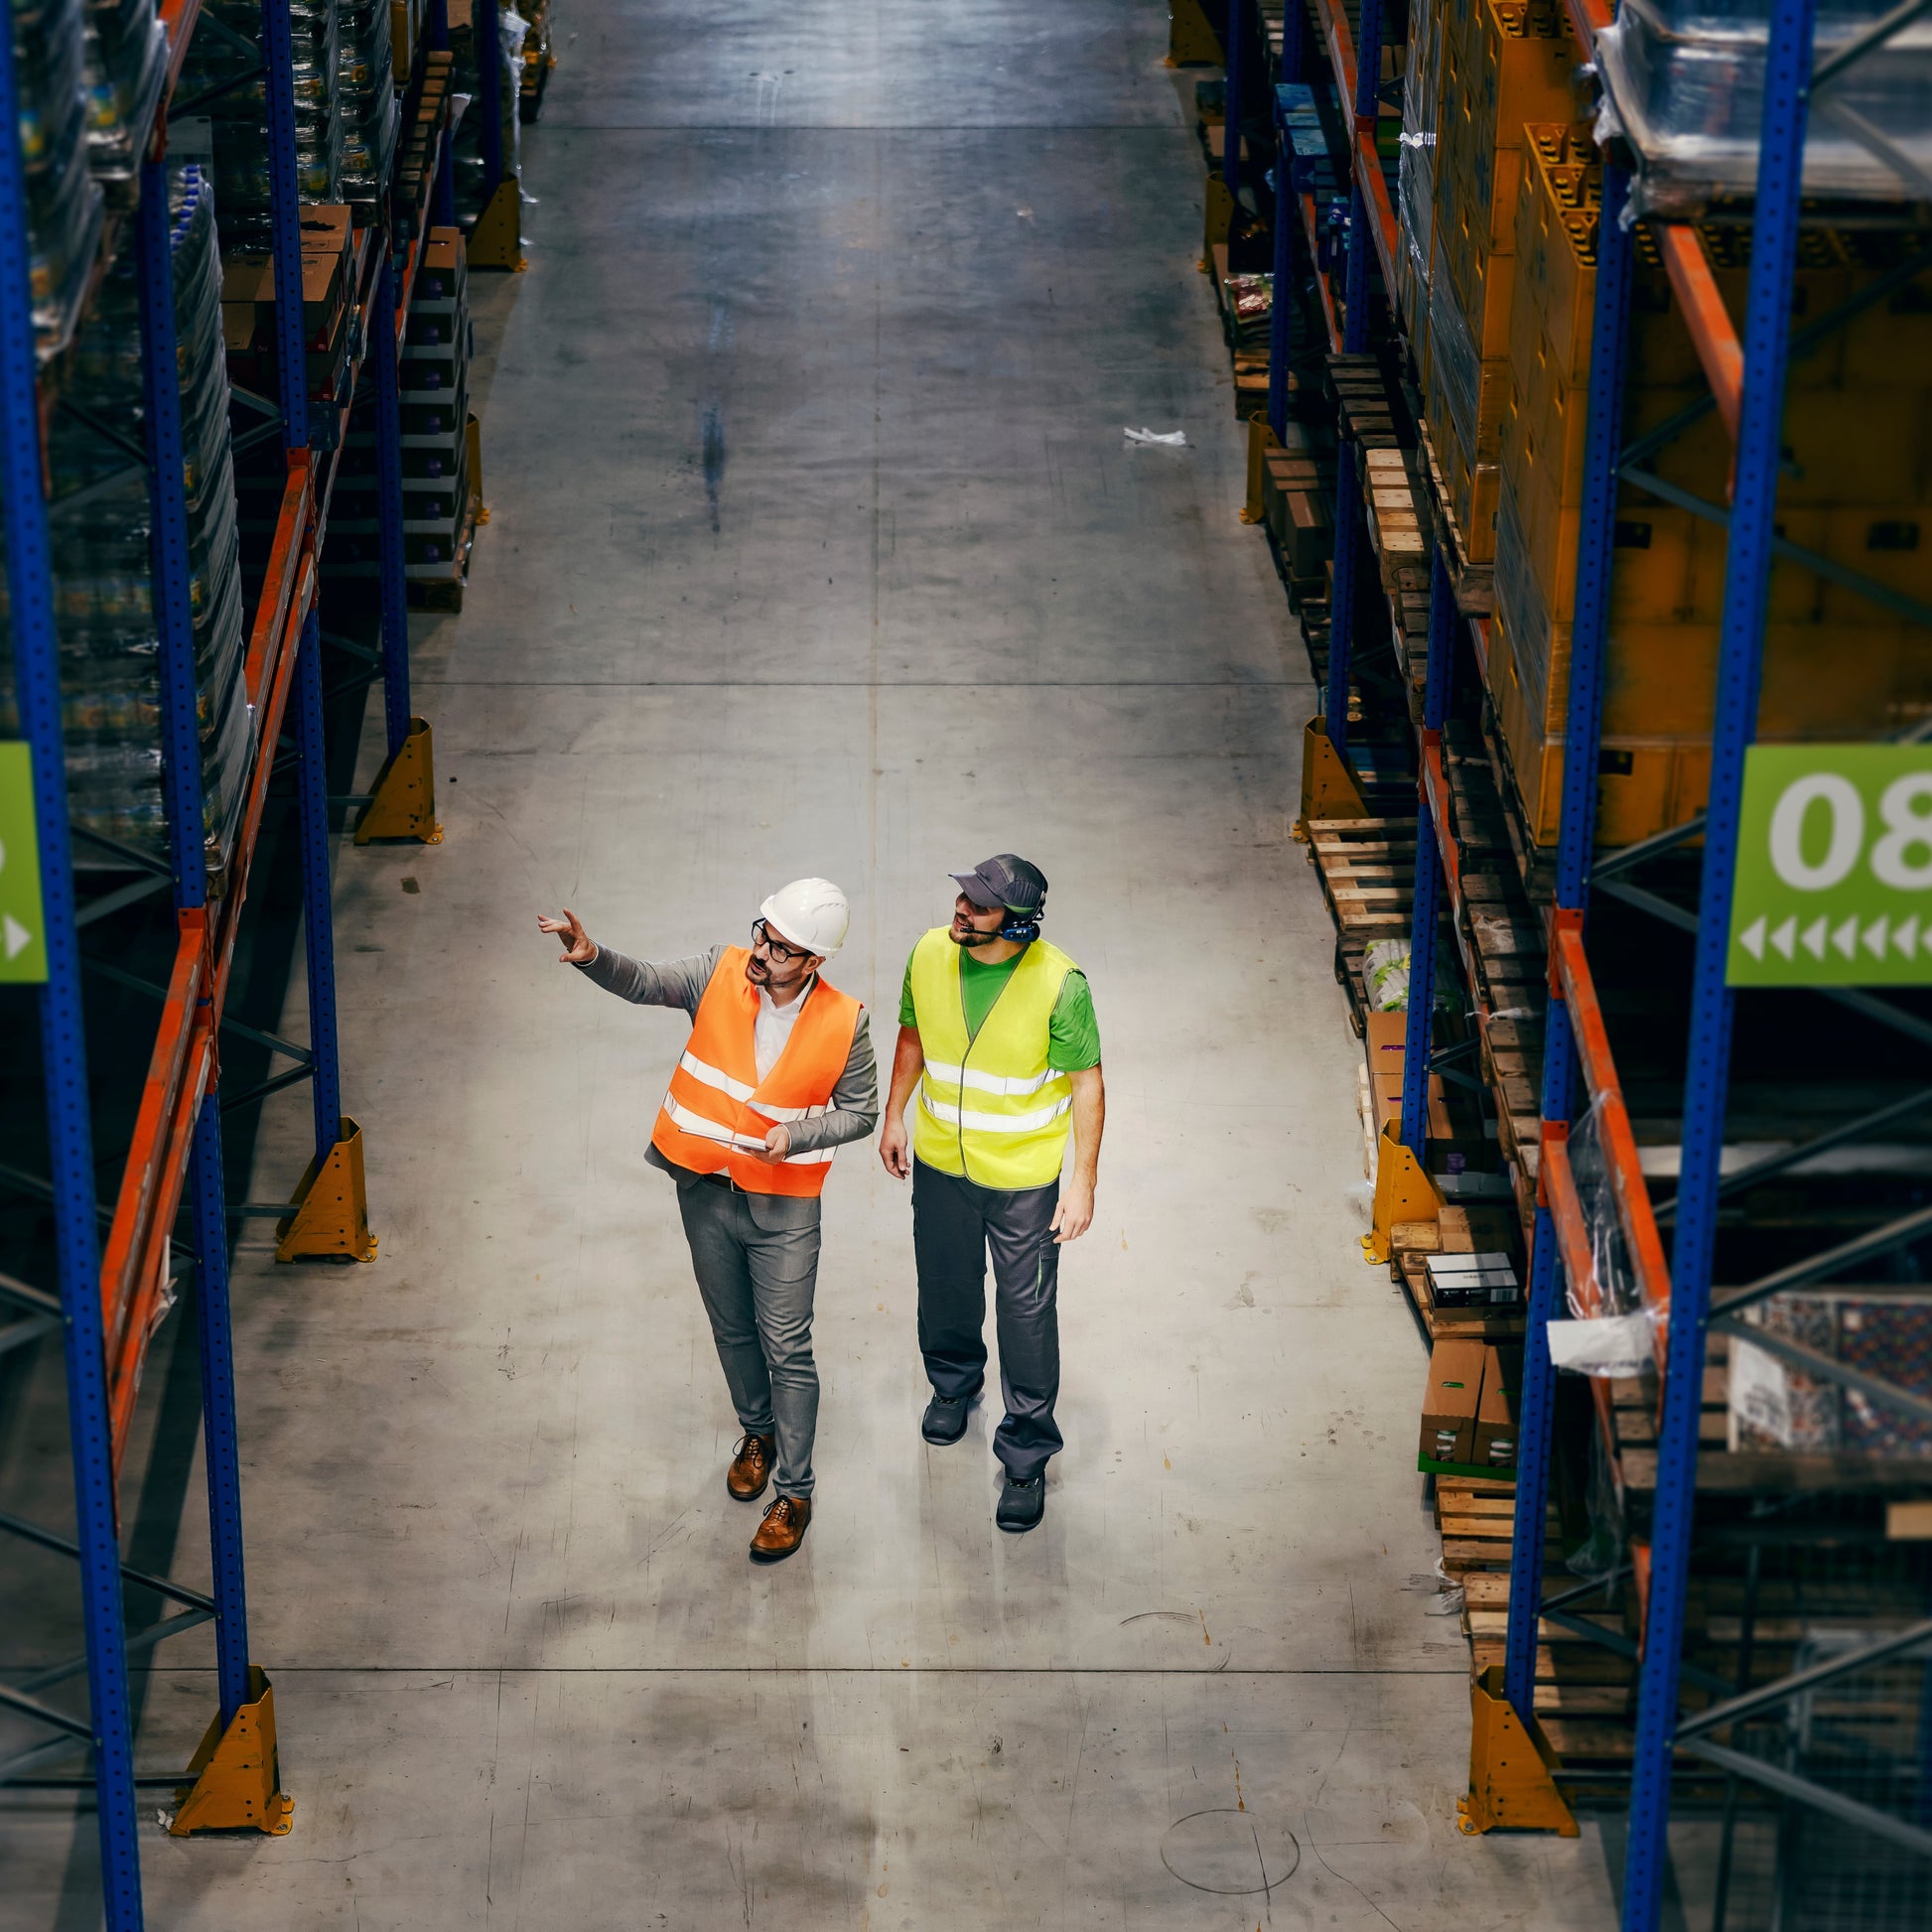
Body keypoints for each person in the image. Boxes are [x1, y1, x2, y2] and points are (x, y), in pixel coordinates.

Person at [538, 880, 876, 1563]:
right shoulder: (720, 971)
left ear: (814, 963)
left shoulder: (846, 1020)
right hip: (705, 1192)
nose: (762, 951)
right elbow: (646, 982)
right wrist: (591, 954)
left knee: (788, 1347)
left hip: (784, 1206)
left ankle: (796, 1492)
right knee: (731, 1329)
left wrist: (797, 1137)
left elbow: (861, 1111)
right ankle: (758, 1433)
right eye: (762, 933)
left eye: (780, 949)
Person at [878, 855, 1104, 1533]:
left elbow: (1087, 1084)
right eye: (963, 897)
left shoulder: (1060, 984)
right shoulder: (928, 952)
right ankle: (953, 1385)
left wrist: (1083, 1182)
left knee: (1026, 1314)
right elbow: (913, 1036)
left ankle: (1027, 1453)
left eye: (979, 905)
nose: (961, 910)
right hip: (943, 1160)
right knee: (944, 1285)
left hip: (1023, 1181)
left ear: (1019, 923)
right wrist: (895, 1113)